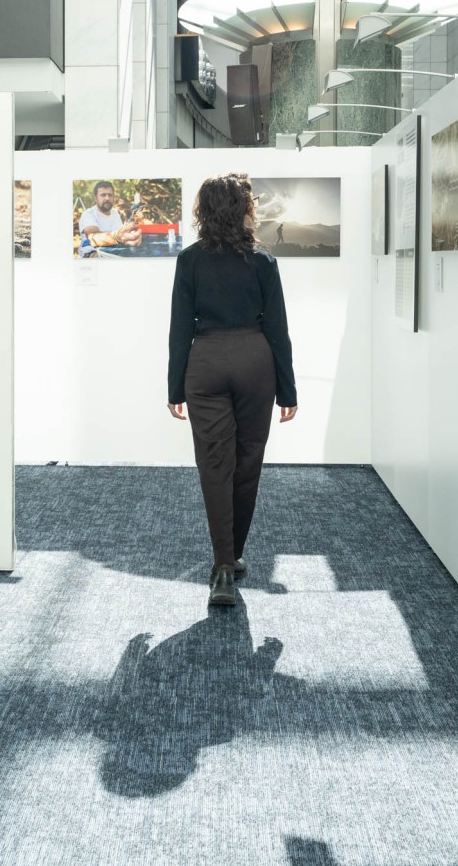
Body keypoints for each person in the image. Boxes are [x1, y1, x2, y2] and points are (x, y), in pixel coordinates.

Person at [167, 174, 298, 607]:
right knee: (247, 462)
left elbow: (179, 329)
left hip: (205, 364)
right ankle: (234, 554)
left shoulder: (189, 261)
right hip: (254, 363)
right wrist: (288, 390)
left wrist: (174, 387)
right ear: (241, 210)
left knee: (213, 465)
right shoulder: (263, 261)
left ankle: (223, 565)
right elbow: (277, 330)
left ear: (204, 211)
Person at [79, 181, 141, 248]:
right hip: (93, 253)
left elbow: (121, 234)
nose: (107, 198)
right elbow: (93, 237)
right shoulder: (88, 214)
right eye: (103, 195)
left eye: (110, 195)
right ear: (95, 198)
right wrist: (116, 237)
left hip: (115, 251)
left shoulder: (115, 213)